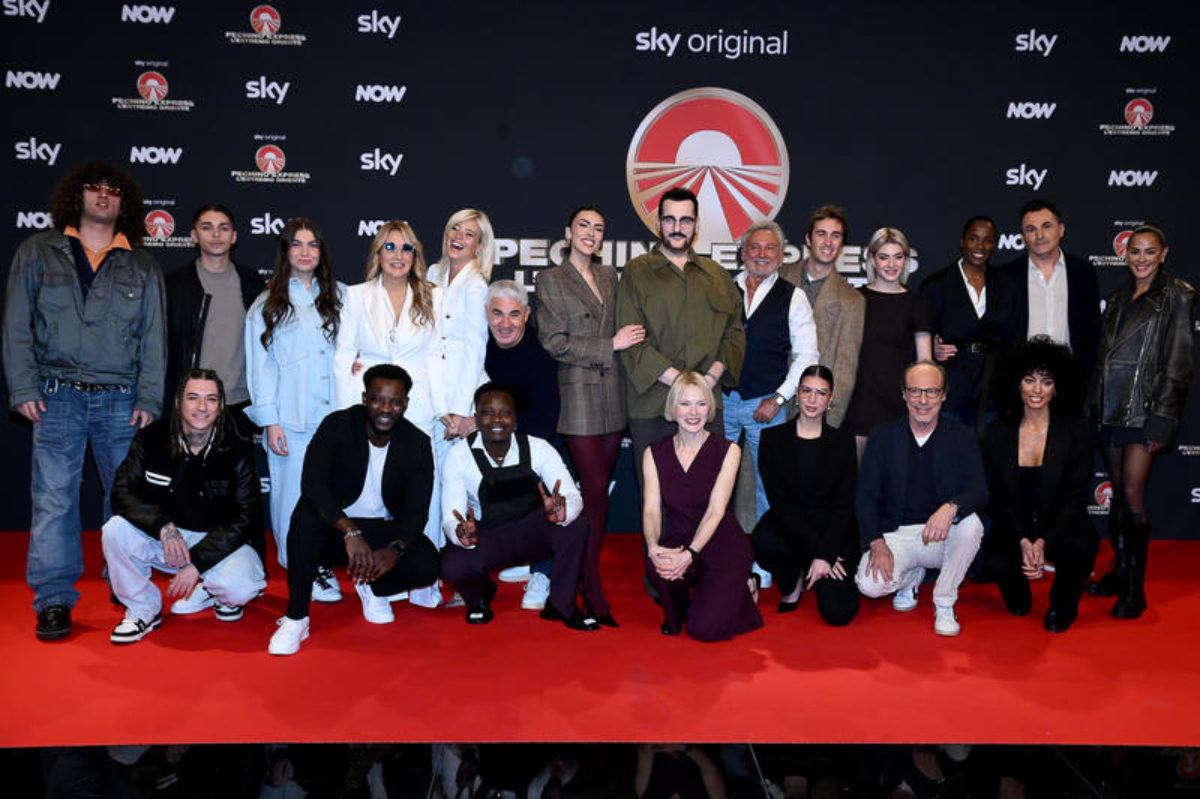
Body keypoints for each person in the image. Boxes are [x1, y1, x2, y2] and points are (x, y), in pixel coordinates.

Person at [3, 162, 166, 641]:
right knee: (53, 500)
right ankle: (53, 599)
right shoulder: (38, 252)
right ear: (77, 195)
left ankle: (127, 585)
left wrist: (150, 396)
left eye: (113, 190)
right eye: (94, 187)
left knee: (125, 498)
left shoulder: (142, 264)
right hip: (56, 398)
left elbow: (154, 339)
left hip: (121, 399)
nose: (103, 195)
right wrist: (23, 387)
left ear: (125, 203)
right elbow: (16, 325)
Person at [268, 365, 441, 655]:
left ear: (406, 404)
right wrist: (350, 532)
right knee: (305, 516)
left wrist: (394, 549)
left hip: (381, 530)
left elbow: (417, 512)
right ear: (364, 399)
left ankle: (371, 583)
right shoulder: (337, 425)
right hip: (337, 528)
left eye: (395, 402)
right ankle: (297, 617)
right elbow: (312, 483)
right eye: (377, 399)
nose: (385, 409)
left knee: (427, 564)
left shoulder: (417, 443)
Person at [101, 369, 267, 643]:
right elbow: (122, 492)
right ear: (179, 402)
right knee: (115, 530)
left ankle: (211, 590)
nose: (202, 407)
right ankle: (143, 609)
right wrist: (162, 525)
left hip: (219, 543)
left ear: (221, 405)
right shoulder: (152, 437)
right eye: (193, 398)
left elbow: (244, 518)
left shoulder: (237, 447)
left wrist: (197, 564)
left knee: (239, 590)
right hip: (169, 539)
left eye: (211, 399)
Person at [536, 206, 642, 626]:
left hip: (614, 394)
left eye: (599, 228)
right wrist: (610, 345)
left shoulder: (610, 276)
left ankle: (581, 578)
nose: (591, 234)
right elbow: (554, 342)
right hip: (578, 393)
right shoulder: (550, 279)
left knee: (599, 496)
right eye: (584, 225)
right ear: (568, 232)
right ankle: (589, 583)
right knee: (594, 489)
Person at [333, 220, 445, 608]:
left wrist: (443, 407)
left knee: (423, 493)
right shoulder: (356, 295)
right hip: (372, 406)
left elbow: (439, 356)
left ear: (416, 255)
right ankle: (371, 573)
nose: (398, 255)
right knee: (373, 488)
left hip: (419, 406)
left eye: (406, 248)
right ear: (377, 254)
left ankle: (424, 579)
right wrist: (349, 410)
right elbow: (343, 355)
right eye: (390, 247)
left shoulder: (433, 295)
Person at [1087, 224, 1196, 620]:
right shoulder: (1119, 296)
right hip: (1110, 409)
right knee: (1118, 492)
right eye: (1135, 251)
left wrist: (1162, 419)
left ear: (1163, 254)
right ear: (1125, 254)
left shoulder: (1178, 295)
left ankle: (1135, 587)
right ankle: (1119, 570)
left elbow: (1178, 363)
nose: (1141, 259)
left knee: (1133, 493)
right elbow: (1104, 357)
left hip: (1144, 411)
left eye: (1150, 251)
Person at [439, 383, 600, 630]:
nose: (496, 419)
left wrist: (563, 511)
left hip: (533, 533)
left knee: (576, 524)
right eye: (487, 412)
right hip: (488, 537)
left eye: (505, 412)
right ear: (476, 418)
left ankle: (562, 604)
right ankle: (479, 595)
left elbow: (571, 494)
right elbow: (452, 516)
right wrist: (460, 533)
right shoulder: (458, 456)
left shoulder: (539, 447)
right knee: (451, 565)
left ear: (515, 419)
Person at [616, 187, 745, 490]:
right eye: (669, 220)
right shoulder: (636, 272)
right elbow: (632, 339)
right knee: (657, 496)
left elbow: (734, 335)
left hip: (706, 404)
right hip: (652, 404)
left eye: (685, 220)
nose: (677, 228)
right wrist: (684, 384)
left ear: (696, 224)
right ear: (658, 223)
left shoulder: (717, 275)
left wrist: (706, 382)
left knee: (709, 494)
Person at [245, 217, 343, 601]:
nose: (305, 252)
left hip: (334, 419)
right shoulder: (266, 305)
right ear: (285, 251)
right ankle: (299, 567)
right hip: (291, 421)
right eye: (297, 244)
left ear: (322, 252)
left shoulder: (340, 297)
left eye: (312, 244)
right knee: (290, 498)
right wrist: (270, 422)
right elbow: (260, 369)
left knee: (333, 496)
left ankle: (323, 561)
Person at [855, 361, 987, 636]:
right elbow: (865, 496)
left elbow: (979, 490)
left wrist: (951, 507)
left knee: (971, 524)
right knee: (870, 586)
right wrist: (876, 543)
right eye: (915, 391)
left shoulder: (962, 436)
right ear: (903, 394)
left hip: (939, 535)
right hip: (896, 535)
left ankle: (944, 601)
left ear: (944, 394)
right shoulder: (882, 436)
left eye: (932, 392)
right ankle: (910, 578)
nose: (923, 401)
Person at [983, 337, 1096, 632]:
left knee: (1081, 545)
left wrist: (1043, 541)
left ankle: (1062, 604)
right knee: (995, 561)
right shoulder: (998, 432)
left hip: (1060, 525)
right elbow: (997, 500)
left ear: (1057, 387)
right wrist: (1023, 540)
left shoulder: (1075, 431)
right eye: (1029, 380)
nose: (1036, 390)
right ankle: (1017, 589)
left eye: (1046, 382)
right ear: (1016, 384)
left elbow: (1075, 499)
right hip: (1016, 525)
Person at [642, 371, 763, 641]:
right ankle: (690, 602)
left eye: (701, 403)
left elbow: (715, 511)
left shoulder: (729, 451)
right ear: (673, 407)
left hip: (721, 544)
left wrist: (690, 554)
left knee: (703, 630)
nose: (693, 412)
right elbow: (651, 510)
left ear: (710, 408)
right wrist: (653, 548)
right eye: (685, 404)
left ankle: (746, 586)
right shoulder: (654, 453)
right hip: (679, 539)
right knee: (658, 566)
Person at [724, 219, 818, 522]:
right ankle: (710, 547)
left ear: (781, 256)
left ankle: (767, 553)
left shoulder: (794, 296)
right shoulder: (723, 289)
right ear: (743, 253)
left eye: (770, 248)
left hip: (766, 405)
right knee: (711, 481)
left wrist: (778, 399)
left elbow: (807, 356)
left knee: (770, 486)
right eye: (754, 247)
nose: (762, 254)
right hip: (721, 402)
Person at [751, 365, 860, 626]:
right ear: (797, 394)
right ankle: (793, 580)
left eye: (821, 393)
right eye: (807, 391)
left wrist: (828, 552)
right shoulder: (772, 439)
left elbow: (844, 505)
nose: (812, 399)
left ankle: (816, 568)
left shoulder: (843, 442)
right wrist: (820, 552)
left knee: (837, 613)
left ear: (830, 398)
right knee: (764, 539)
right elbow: (781, 504)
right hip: (790, 527)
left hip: (832, 530)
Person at [480, 279, 562, 612]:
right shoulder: (480, 347)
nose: (505, 323)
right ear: (486, 313)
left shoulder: (539, 358)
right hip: (498, 442)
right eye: (497, 313)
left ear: (527, 315)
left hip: (537, 442)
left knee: (544, 494)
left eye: (514, 314)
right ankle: (522, 557)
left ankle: (544, 571)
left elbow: (544, 422)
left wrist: (494, 428)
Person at [163, 204, 264, 422]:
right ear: (194, 236)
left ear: (234, 236)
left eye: (223, 228)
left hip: (240, 402)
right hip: (191, 402)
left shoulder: (251, 281)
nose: (216, 234)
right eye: (207, 227)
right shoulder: (173, 284)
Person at [920, 216, 1019, 434]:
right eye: (973, 239)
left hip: (992, 386)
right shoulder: (936, 285)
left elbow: (1014, 337)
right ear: (962, 241)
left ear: (994, 245)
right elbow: (920, 335)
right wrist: (932, 349)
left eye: (987, 240)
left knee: (989, 450)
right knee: (950, 447)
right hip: (952, 383)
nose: (980, 247)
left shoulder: (1007, 286)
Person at [844, 227, 934, 459]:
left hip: (898, 401)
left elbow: (925, 361)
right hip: (860, 400)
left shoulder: (917, 303)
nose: (891, 264)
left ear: (906, 260)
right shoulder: (855, 298)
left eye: (898, 257)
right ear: (872, 259)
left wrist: (920, 401)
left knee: (896, 475)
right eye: (884, 257)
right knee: (858, 475)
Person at [778, 204, 864, 428]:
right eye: (821, 234)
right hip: (767, 403)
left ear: (842, 244)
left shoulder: (852, 300)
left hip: (812, 411)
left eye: (835, 236)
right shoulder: (779, 277)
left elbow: (844, 373)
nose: (828, 242)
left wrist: (828, 425)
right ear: (808, 239)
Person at [1000, 199, 1101, 385]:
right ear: (1023, 237)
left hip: (1071, 379)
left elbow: (1092, 331)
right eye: (1031, 229)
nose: (1039, 235)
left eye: (1046, 226)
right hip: (1021, 381)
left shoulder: (1083, 273)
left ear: (1061, 230)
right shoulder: (1005, 276)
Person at [427, 208, 492, 451]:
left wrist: (460, 409)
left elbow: (475, 350)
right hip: (431, 387)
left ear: (479, 246)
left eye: (469, 234)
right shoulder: (433, 273)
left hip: (459, 393)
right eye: (455, 228)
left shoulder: (476, 286)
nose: (458, 237)